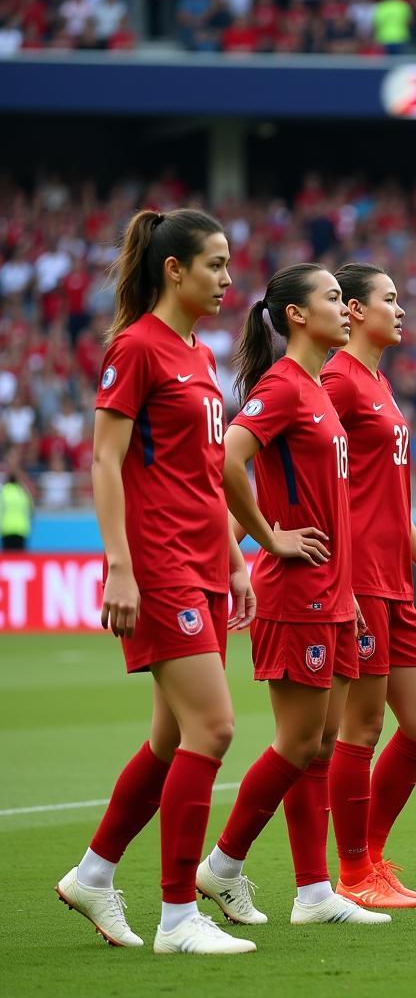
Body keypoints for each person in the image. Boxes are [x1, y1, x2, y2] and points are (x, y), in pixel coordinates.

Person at [56, 209, 258, 955]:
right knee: (215, 729)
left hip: (205, 565)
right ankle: (178, 916)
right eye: (214, 263)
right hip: (160, 565)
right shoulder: (136, 348)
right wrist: (118, 567)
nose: (228, 278)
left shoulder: (198, 355)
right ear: (174, 269)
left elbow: (205, 472)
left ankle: (94, 874)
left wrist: (235, 561)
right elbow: (105, 462)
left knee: (173, 739)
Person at [195, 264, 389, 929]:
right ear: (298, 316)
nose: (346, 308)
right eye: (334, 298)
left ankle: (313, 894)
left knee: (322, 744)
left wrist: (348, 589)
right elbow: (226, 459)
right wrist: (268, 539)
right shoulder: (283, 388)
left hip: (333, 592)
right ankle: (222, 864)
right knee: (298, 742)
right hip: (296, 592)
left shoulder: (315, 389)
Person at [322, 264, 416, 908]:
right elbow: (310, 481)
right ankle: (352, 874)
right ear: (352, 310)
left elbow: (384, 494)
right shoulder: (336, 381)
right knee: (362, 726)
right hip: (359, 579)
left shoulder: (378, 382)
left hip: (394, 576)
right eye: (390, 300)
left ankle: (372, 855)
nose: (401, 310)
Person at [0, 471, 32, 549]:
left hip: (6, 528)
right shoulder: (23, 492)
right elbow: (30, 509)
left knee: (9, 557)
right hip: (21, 528)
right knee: (19, 557)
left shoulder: (3, 492)